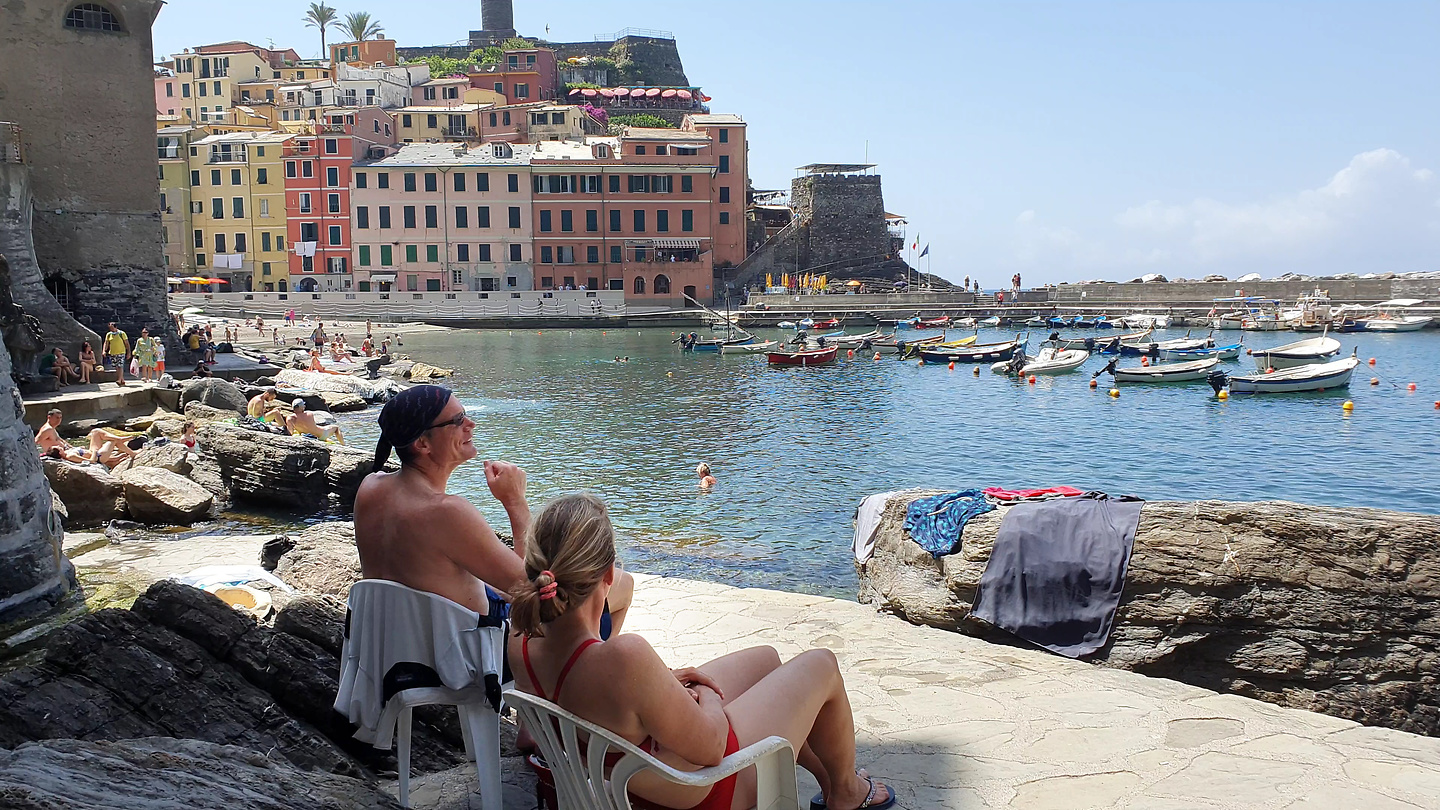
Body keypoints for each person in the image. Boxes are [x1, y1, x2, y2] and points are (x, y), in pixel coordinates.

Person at [508, 494, 895, 810]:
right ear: (608, 576)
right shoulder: (623, 657)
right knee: (822, 665)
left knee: (766, 660)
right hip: (701, 790)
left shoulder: (520, 641)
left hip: (635, 775)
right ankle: (846, 792)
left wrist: (663, 690)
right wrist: (703, 697)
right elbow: (711, 747)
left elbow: (595, 694)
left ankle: (828, 780)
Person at [353, 385, 633, 625]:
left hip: (399, 651)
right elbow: (534, 593)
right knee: (620, 584)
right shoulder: (445, 512)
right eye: (457, 420)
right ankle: (588, 675)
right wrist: (514, 501)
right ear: (423, 443)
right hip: (468, 658)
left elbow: (425, 571)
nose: (470, 424)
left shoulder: (371, 487)